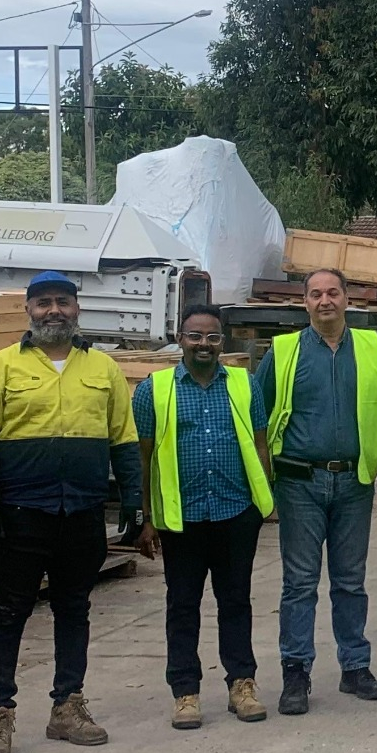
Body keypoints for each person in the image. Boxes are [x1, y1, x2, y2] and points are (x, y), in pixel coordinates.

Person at [0, 271, 142, 753]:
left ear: (77, 308)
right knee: (8, 615)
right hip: (21, 516)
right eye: (43, 303)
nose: (53, 311)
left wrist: (132, 499)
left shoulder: (103, 368)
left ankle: (68, 706)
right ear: (28, 310)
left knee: (74, 610)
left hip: (82, 514)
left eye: (63, 302)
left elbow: (123, 440)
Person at [254, 268, 377, 713]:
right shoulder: (283, 352)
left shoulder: (371, 350)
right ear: (305, 302)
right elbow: (257, 415)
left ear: (346, 299)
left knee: (350, 581)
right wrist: (264, 480)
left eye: (333, 293)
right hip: (299, 483)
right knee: (299, 583)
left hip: (356, 482)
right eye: (316, 294)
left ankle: (355, 667)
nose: (325, 301)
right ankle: (296, 673)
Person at [133, 305, 273, 729]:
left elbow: (261, 445)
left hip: (235, 512)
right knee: (182, 605)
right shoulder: (153, 390)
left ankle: (242, 684)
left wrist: (260, 504)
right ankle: (186, 692)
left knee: (235, 601)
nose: (204, 345)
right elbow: (143, 457)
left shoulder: (246, 386)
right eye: (196, 336)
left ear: (223, 342)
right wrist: (146, 517)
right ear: (180, 338)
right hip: (182, 519)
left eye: (213, 337)